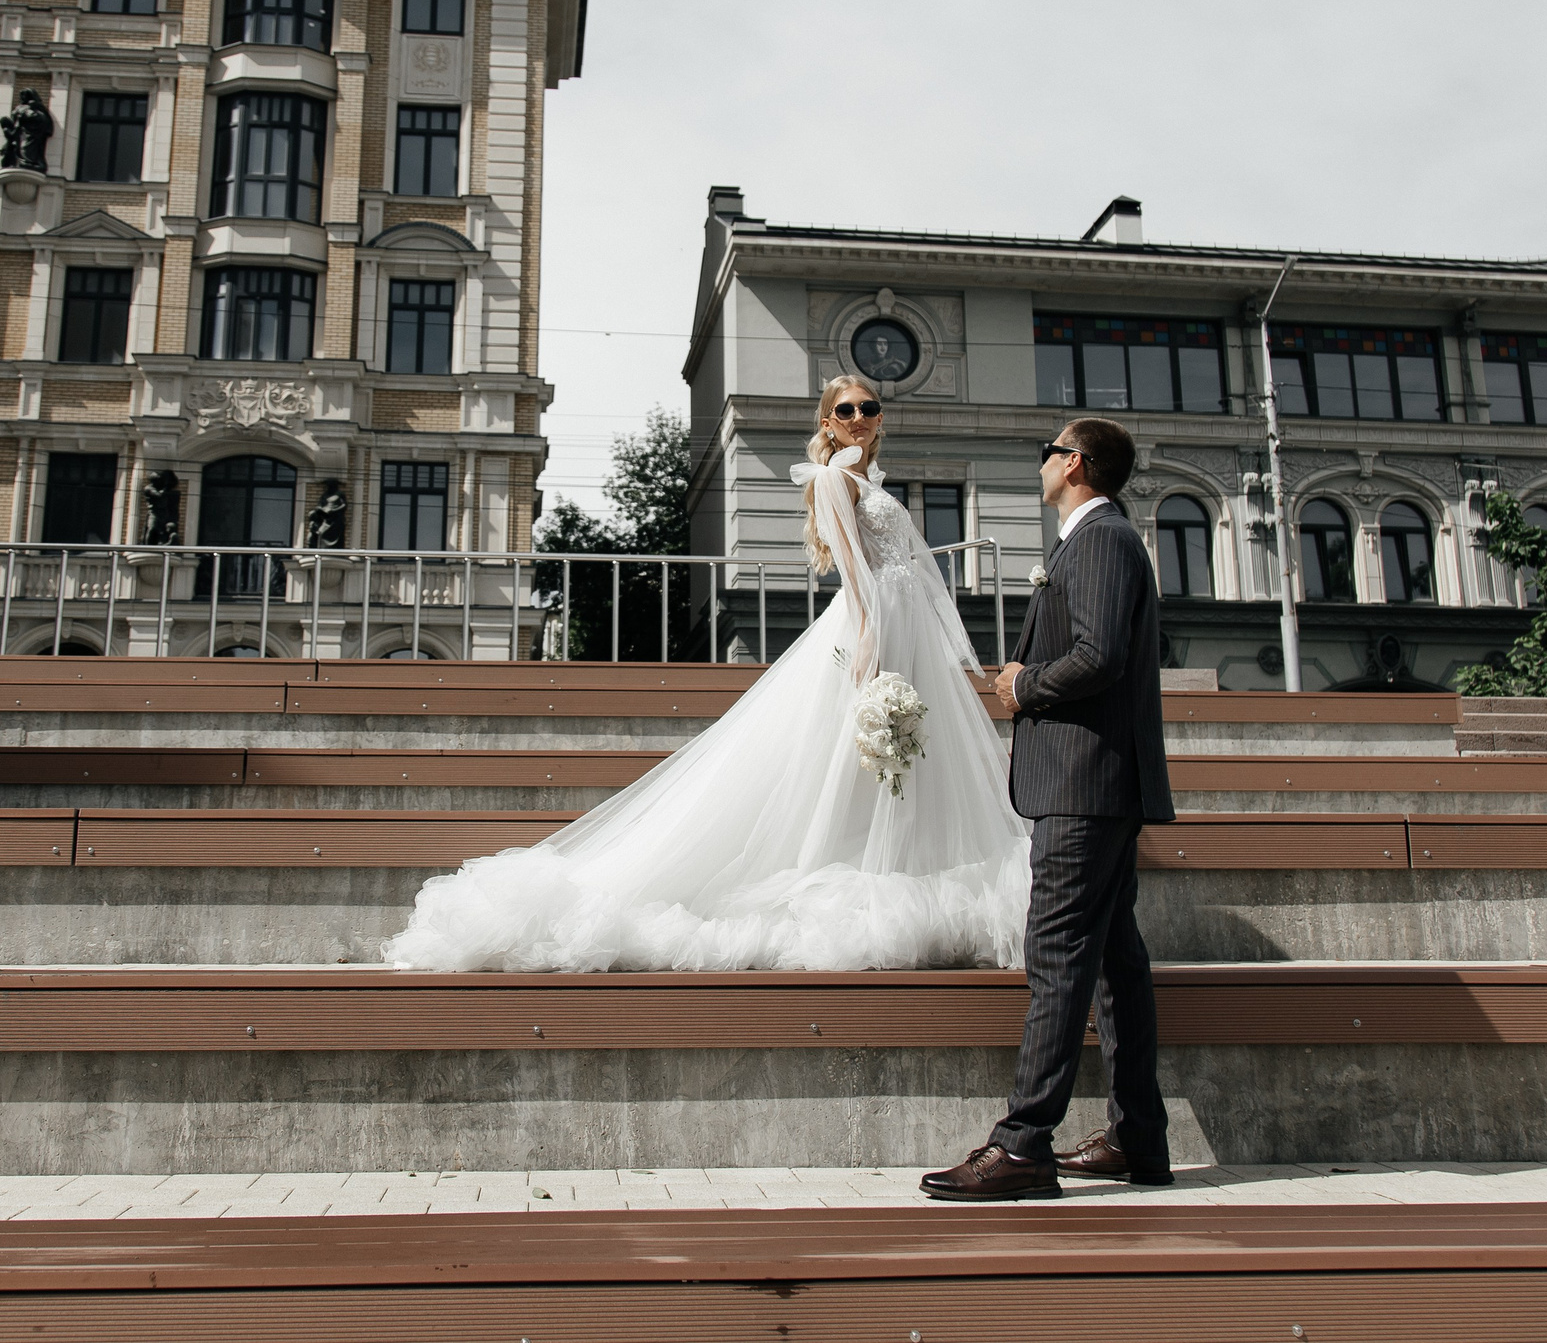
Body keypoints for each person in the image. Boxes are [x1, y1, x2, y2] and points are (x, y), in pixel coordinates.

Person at [385, 376, 1031, 972]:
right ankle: (843, 878)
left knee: (892, 760)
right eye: (846, 410)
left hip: (906, 618)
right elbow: (856, 571)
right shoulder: (835, 479)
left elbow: (908, 566)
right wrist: (869, 638)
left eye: (869, 407)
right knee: (851, 755)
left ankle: (893, 872)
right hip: (874, 622)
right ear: (827, 422)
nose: (860, 417)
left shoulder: (876, 481)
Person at [921, 415, 1174, 1201]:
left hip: (1085, 785)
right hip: (1095, 782)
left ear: (1077, 465)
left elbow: (1100, 654)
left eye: (1049, 452)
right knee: (1115, 962)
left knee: (1057, 954)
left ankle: (1025, 1143)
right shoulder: (1100, 540)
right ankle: (1139, 1137)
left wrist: (1024, 683)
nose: (1041, 464)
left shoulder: (1099, 539)